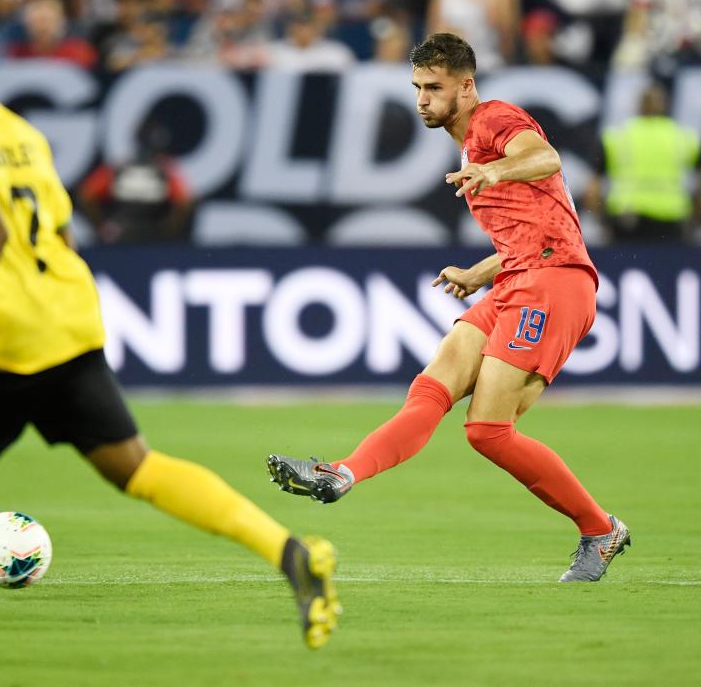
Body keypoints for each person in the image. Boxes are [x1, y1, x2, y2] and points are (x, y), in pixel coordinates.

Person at [0, 17, 340, 661]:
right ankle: (289, 552)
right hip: (69, 319)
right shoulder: (22, 132)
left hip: (2, 346)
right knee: (137, 466)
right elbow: (52, 235)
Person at [267, 33, 630, 584]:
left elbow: (545, 157)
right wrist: (476, 272)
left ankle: (600, 529)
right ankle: (342, 473)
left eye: (434, 88)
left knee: (487, 431)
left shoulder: (494, 120)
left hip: (553, 286)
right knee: (431, 388)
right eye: (417, 87)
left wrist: (495, 171)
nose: (422, 101)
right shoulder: (467, 143)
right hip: (516, 278)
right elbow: (535, 230)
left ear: (467, 85)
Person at [585, 83, 700, 243]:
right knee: (666, 267)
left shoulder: (617, 137)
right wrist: (695, 220)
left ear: (638, 106)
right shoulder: (683, 137)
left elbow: (592, 189)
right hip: (671, 222)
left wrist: (602, 221)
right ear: (664, 106)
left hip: (628, 221)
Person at [78, 119, 192, 243]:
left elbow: (86, 195)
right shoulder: (166, 171)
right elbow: (185, 201)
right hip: (153, 237)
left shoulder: (118, 169)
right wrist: (168, 230)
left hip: (119, 234)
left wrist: (101, 225)